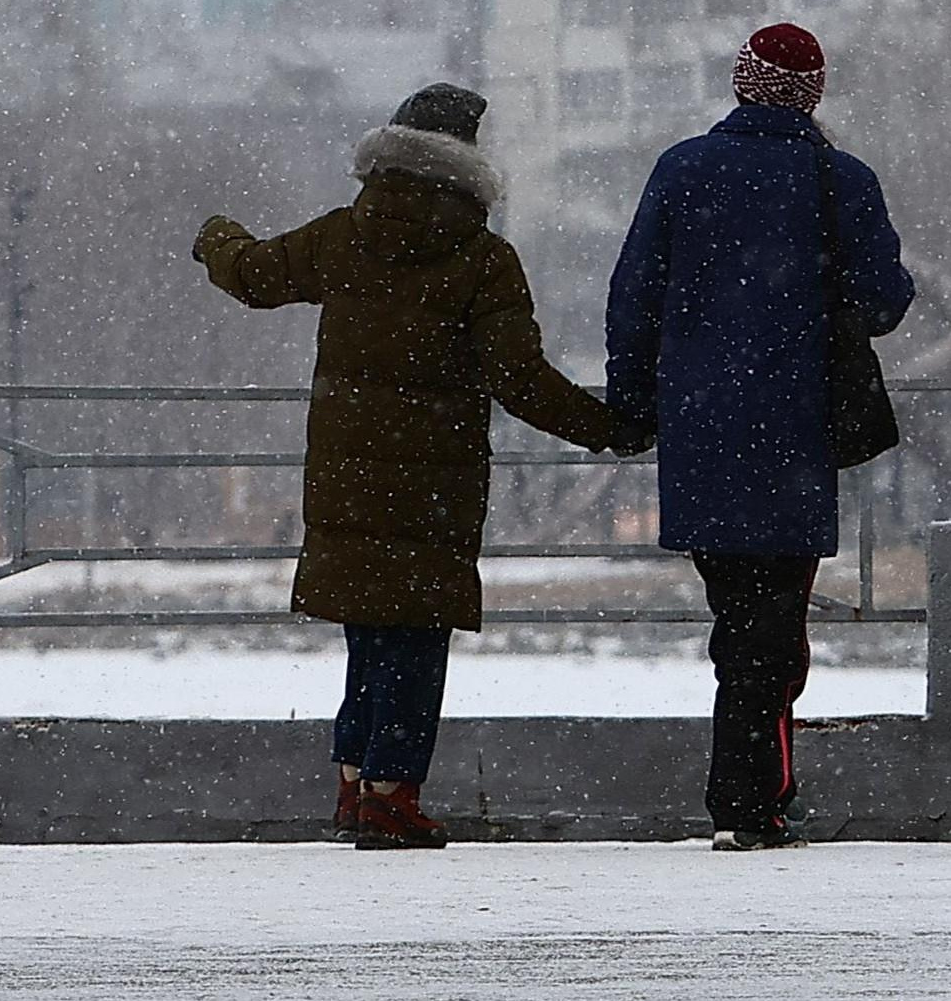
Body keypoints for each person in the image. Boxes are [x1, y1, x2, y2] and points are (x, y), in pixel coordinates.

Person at [193, 82, 639, 850]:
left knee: (368, 632)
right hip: (432, 479)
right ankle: (392, 797)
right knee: (416, 636)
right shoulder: (483, 258)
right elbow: (519, 377)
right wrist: (605, 426)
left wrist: (219, 238)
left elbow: (257, 275)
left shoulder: (343, 235)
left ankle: (357, 781)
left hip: (345, 474)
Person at [606, 22, 914, 850]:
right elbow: (886, 301)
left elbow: (633, 294)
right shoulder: (839, 179)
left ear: (740, 82)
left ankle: (747, 795)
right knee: (771, 628)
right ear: (813, 95)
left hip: (702, 432)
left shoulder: (682, 169)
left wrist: (633, 401)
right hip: (795, 433)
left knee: (739, 619)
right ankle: (751, 801)